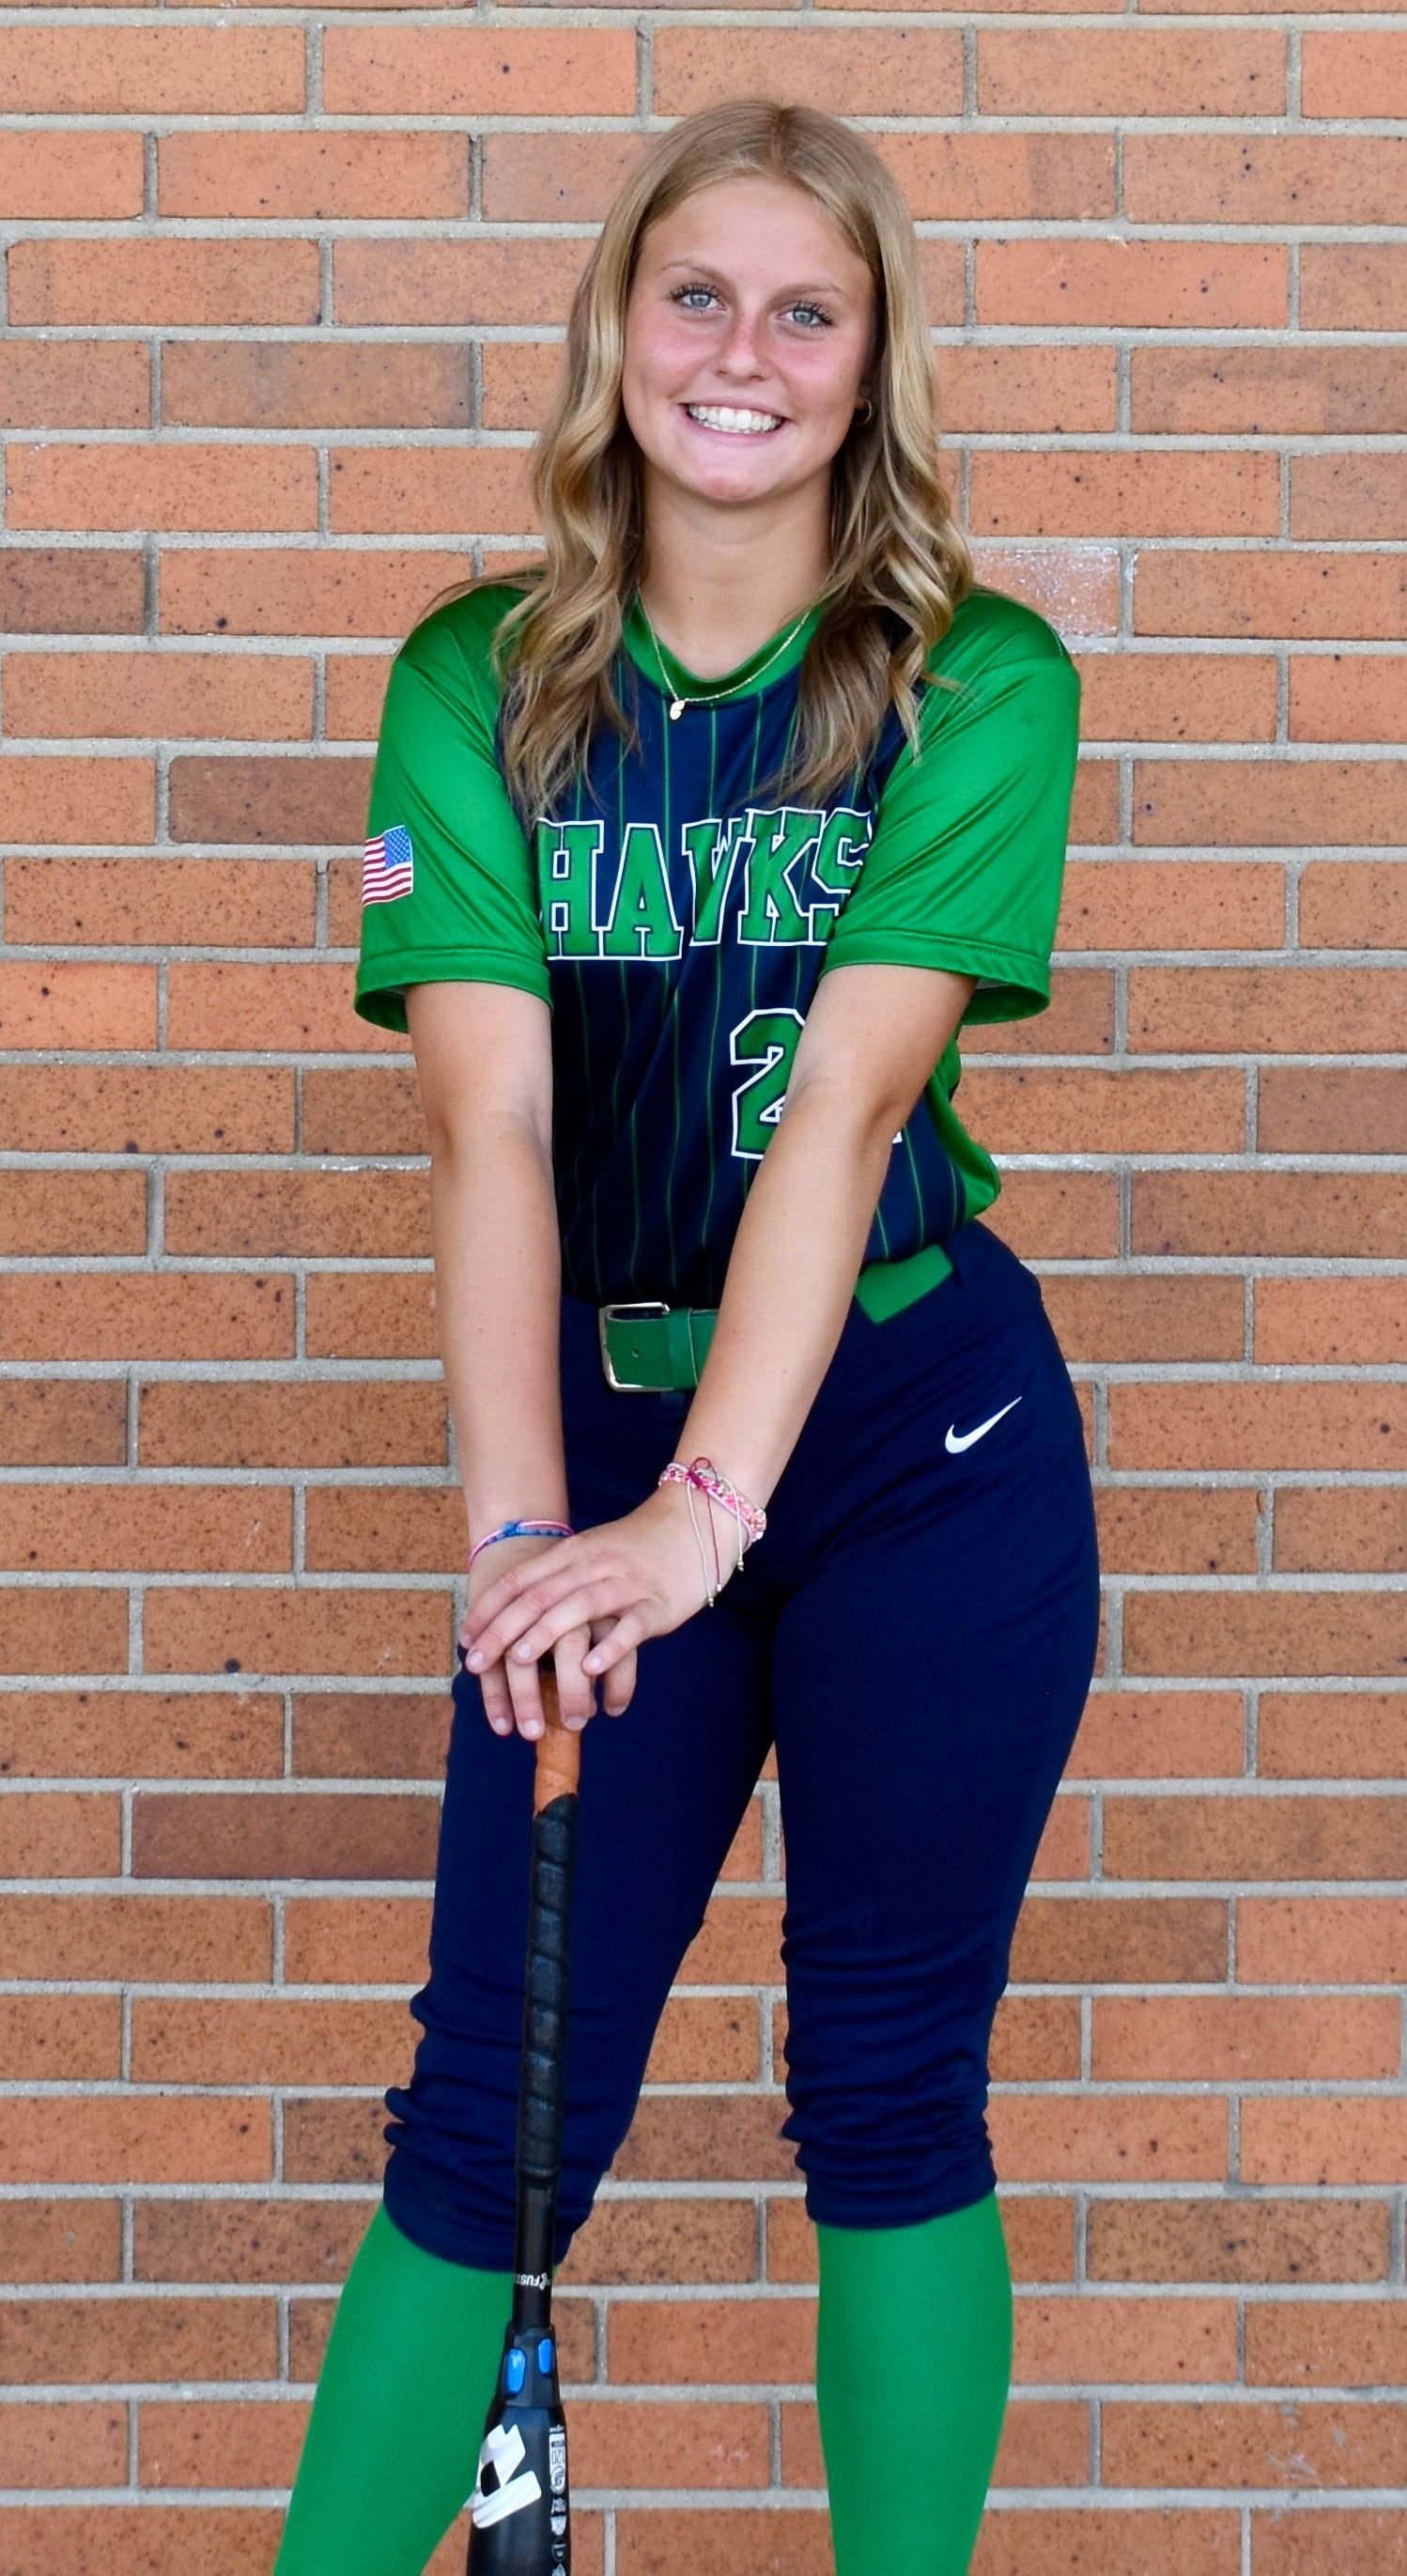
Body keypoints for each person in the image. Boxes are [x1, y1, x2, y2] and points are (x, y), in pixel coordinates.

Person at [274, 94, 1099, 2576]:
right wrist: (533, 1531)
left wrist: (692, 1527)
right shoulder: (479, 681)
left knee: (880, 2092)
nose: (740, 352)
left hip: (903, 1443)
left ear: (868, 365)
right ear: (614, 325)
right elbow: (491, 1138)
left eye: (804, 308)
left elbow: (848, 1107)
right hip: (605, 1421)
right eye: (695, 294)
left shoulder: (975, 676)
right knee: (490, 2127)